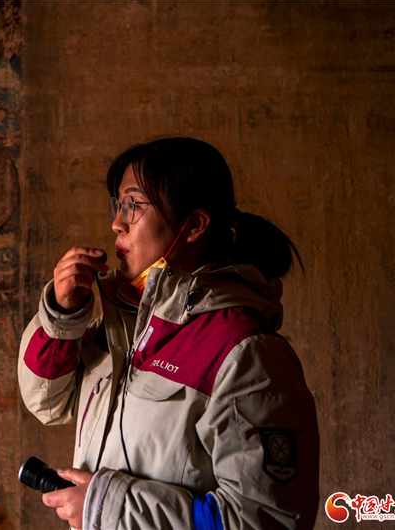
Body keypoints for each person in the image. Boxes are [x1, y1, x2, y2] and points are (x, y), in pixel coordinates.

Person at [18, 137, 320, 530]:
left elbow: (265, 519)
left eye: (133, 205)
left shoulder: (245, 351)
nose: (117, 223)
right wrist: (63, 317)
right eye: (118, 205)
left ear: (193, 225)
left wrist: (108, 508)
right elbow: (47, 403)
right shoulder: (126, 328)